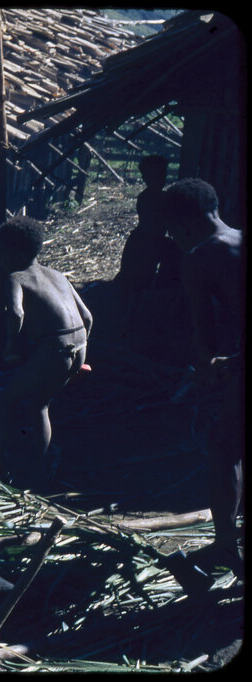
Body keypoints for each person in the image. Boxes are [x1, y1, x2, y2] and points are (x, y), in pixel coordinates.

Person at [163, 178, 244, 575]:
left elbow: (204, 336)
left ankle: (227, 546)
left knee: (225, 450)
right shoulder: (240, 238)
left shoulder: (198, 257)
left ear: (181, 222)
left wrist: (207, 371)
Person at [0, 216, 93, 489]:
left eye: (0, 253)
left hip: (55, 348)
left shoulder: (15, 277)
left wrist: (10, 346)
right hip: (79, 345)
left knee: (10, 400)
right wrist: (80, 355)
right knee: (40, 401)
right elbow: (87, 316)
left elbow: (15, 312)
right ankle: (39, 466)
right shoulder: (57, 274)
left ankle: (1, 466)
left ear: (18, 253)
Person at [115, 155, 182, 317]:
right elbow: (156, 223)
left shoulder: (163, 197)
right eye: (156, 176)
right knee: (135, 280)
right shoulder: (147, 198)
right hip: (144, 242)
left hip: (150, 241)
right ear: (145, 178)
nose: (161, 179)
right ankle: (127, 316)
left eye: (163, 175)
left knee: (144, 280)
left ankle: (135, 315)